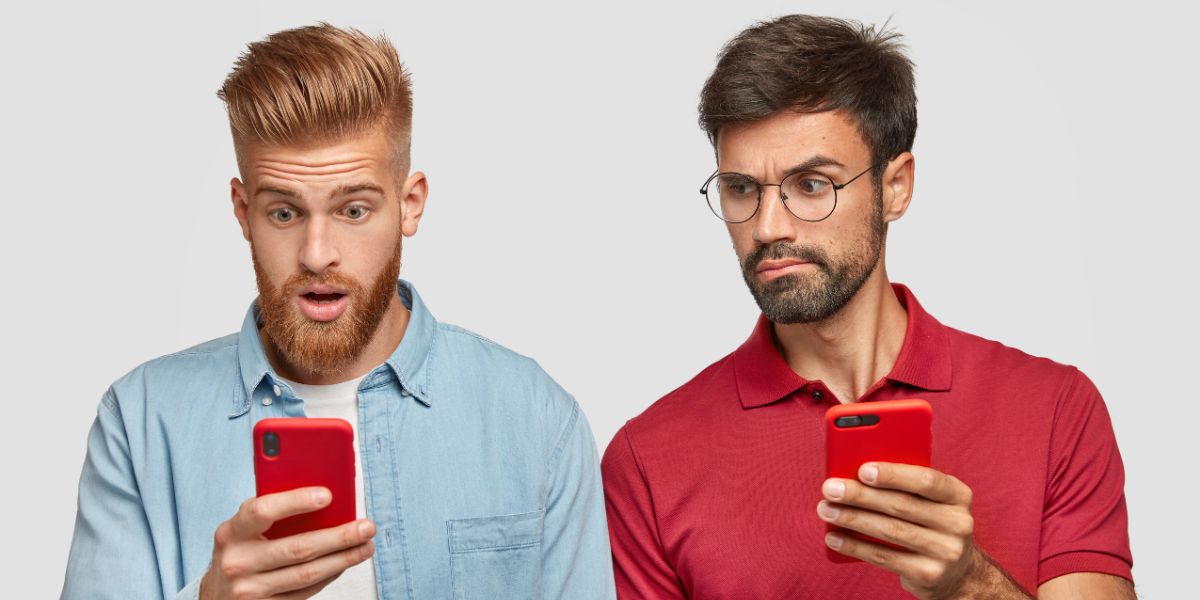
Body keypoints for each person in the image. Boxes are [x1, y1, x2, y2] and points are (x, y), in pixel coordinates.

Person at [61, 24, 614, 600]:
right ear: (243, 211)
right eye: (283, 213)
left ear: (409, 205)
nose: (317, 253)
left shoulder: (536, 417)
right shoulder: (141, 420)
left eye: (353, 209)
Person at [601, 15, 1134, 599]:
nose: (768, 227)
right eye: (742, 189)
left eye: (811, 184)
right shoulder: (647, 461)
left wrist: (968, 584)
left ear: (896, 186)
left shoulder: (1055, 409)